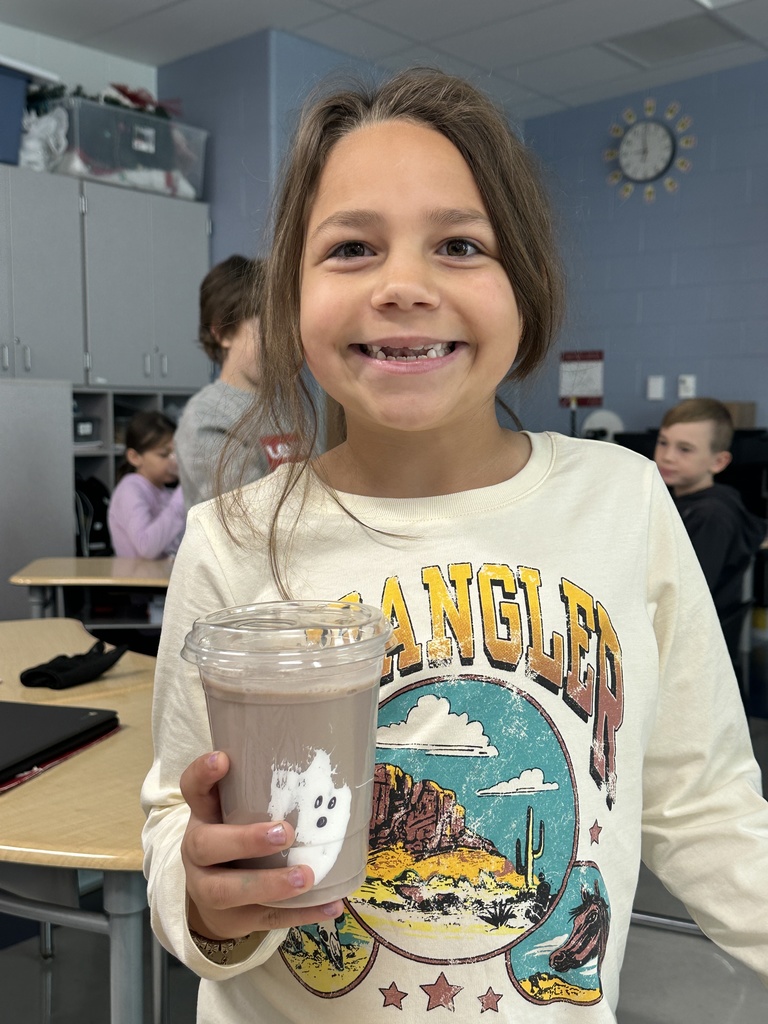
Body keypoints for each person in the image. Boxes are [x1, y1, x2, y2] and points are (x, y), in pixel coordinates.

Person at [141, 69, 768, 1023]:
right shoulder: (231, 538)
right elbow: (176, 830)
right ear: (290, 298)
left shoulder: (622, 498)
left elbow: (706, 804)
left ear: (525, 282)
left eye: (460, 245)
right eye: (351, 247)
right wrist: (206, 898)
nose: (403, 285)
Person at [654, 398, 767, 658]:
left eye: (685, 449)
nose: (668, 456)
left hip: (693, 648)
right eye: (663, 442)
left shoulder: (709, 514)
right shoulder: (711, 498)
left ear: (718, 462)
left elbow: (687, 599)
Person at [174, 255, 270, 509]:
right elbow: (250, 519)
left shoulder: (291, 407)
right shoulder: (206, 417)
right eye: (269, 330)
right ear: (224, 333)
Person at [108, 410, 186, 559]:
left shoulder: (165, 492)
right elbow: (146, 547)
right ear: (135, 457)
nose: (173, 461)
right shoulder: (130, 490)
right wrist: (183, 494)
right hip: (138, 580)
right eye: (164, 455)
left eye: (176, 453)